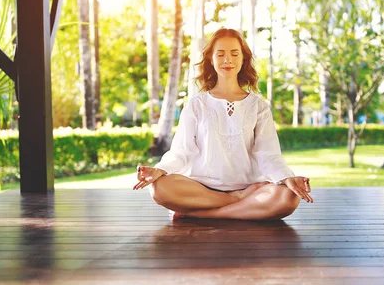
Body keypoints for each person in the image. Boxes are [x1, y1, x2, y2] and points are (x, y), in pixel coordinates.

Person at [133, 28, 313, 220]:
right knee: (160, 188)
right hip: (202, 189)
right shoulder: (196, 105)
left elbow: (268, 155)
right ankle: (240, 203)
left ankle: (204, 214)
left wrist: (286, 177)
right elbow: (181, 152)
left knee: (288, 197)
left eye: (234, 54)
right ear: (211, 59)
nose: (228, 60)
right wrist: (160, 170)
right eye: (221, 54)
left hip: (249, 187)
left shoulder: (258, 106)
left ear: (243, 58)